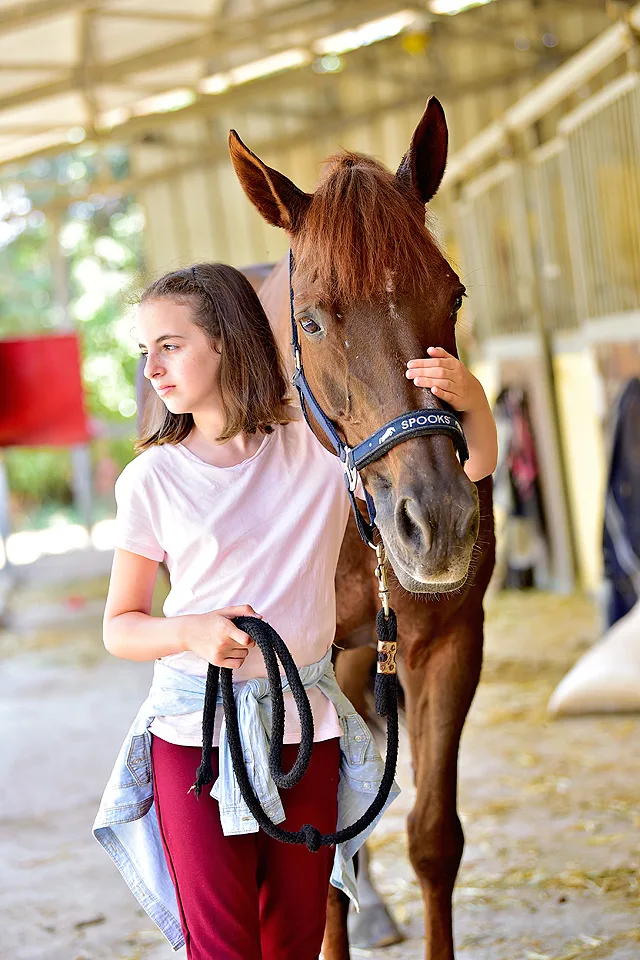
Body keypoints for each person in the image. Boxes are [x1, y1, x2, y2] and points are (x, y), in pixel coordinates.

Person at [93, 262, 496, 960]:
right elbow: (119, 626)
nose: (151, 369)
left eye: (171, 344)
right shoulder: (150, 479)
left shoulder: (314, 457)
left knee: (297, 942)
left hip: (305, 729)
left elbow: (472, 468)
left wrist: (475, 401)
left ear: (227, 343)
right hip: (195, 735)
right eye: (144, 350)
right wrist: (187, 630)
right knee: (222, 946)